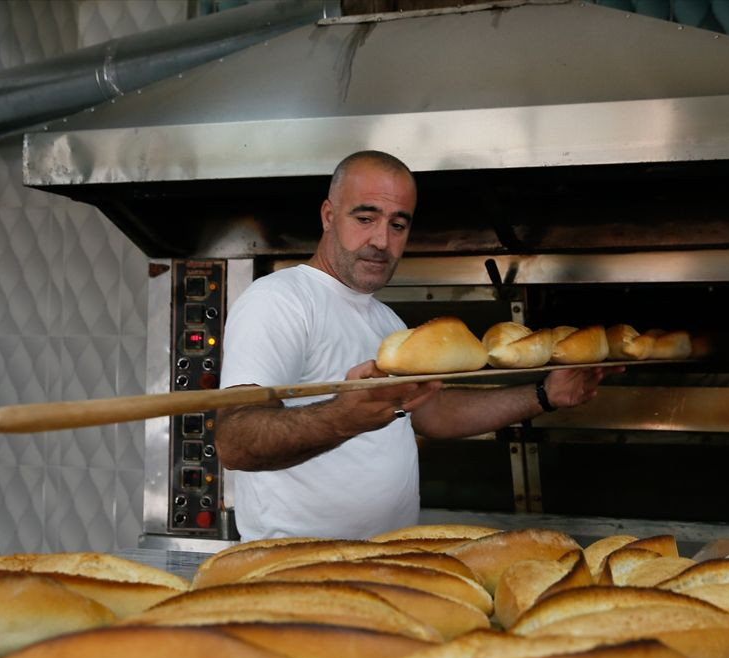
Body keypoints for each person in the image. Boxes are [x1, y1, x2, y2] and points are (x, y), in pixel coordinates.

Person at [216, 150, 616, 540]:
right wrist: (343, 417)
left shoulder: (387, 322)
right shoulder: (281, 300)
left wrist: (545, 394)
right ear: (328, 215)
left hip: (389, 561)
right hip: (300, 569)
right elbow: (235, 441)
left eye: (398, 225)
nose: (381, 240)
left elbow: (434, 414)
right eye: (365, 217)